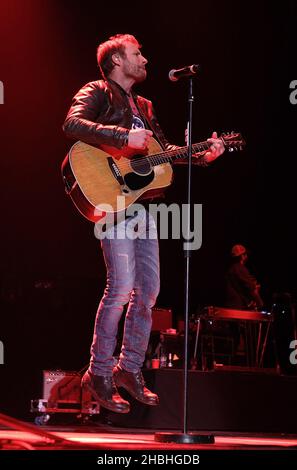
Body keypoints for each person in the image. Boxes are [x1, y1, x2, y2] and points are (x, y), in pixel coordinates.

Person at [63, 34, 225, 413]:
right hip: (111, 198)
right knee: (120, 287)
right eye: (138, 54)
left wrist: (201, 155)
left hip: (141, 205)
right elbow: (72, 123)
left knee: (149, 291)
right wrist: (122, 135)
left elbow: (159, 157)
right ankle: (98, 372)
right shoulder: (97, 91)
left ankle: (128, 369)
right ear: (117, 60)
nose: (145, 59)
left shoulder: (145, 105)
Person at [225, 244, 264, 310]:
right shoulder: (240, 268)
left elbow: (240, 289)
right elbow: (251, 288)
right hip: (238, 307)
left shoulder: (231, 269)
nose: (247, 256)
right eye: (245, 254)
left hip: (231, 306)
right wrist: (260, 302)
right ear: (242, 256)